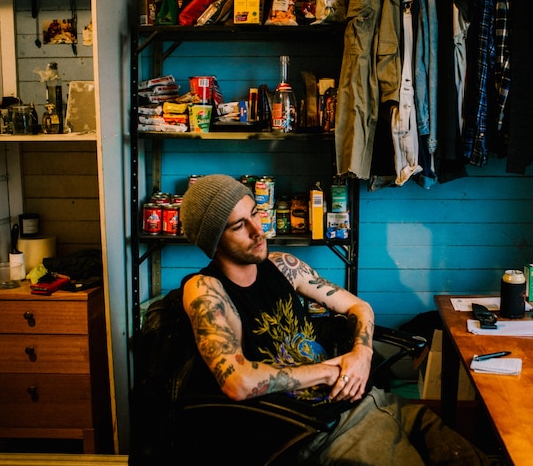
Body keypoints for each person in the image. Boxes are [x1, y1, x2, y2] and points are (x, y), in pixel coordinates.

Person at [179, 174, 497, 465]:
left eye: (255, 213)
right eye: (238, 226)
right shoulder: (205, 290)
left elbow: (360, 308)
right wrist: (330, 372)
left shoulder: (283, 266)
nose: (257, 230)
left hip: (368, 398)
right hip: (319, 428)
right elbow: (238, 382)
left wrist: (362, 354)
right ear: (214, 240)